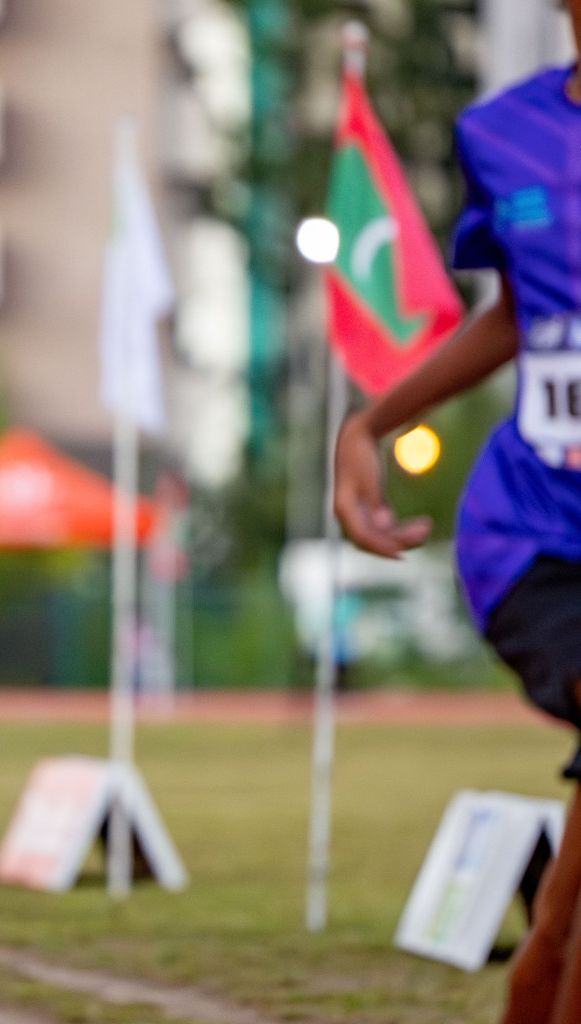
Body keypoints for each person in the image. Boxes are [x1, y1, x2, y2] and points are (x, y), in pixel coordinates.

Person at [332, 9, 581, 1020]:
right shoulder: (502, 134)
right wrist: (374, 421)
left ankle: (533, 983)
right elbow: (521, 316)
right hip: (531, 535)